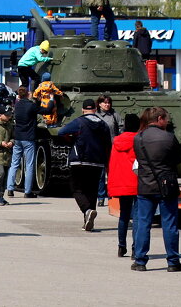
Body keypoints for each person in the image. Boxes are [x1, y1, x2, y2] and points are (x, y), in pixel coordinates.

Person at [131, 107, 181, 272]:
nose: (167, 122)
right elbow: (178, 159)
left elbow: (140, 160)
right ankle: (173, 262)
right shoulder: (169, 137)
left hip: (145, 185)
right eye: (166, 119)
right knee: (169, 224)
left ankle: (140, 261)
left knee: (143, 224)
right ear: (160, 118)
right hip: (167, 186)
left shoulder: (138, 138)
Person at [58, 98, 112, 232]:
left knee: (76, 189)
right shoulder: (103, 124)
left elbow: (61, 132)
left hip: (80, 160)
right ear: (95, 109)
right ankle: (88, 220)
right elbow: (108, 144)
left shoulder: (79, 122)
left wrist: (72, 139)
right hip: (97, 162)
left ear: (83, 110)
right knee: (92, 191)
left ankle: (87, 210)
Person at [108, 113, 141, 258]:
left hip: (121, 183)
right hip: (137, 182)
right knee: (138, 218)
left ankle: (121, 247)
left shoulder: (116, 142)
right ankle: (135, 249)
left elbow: (113, 163)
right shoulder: (139, 140)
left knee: (124, 216)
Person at [7, 87, 39, 199]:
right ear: (27, 94)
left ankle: (10, 189)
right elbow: (45, 110)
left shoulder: (17, 105)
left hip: (18, 137)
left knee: (14, 163)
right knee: (29, 165)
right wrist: (50, 100)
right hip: (28, 138)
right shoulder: (31, 105)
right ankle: (27, 191)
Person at [0, 109, 14, 206]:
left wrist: (12, 142)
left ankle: (1, 195)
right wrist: (0, 143)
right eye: (7, 115)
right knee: (0, 173)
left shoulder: (9, 125)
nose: (9, 117)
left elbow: (13, 136)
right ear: (0, 115)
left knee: (5, 176)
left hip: (7, 154)